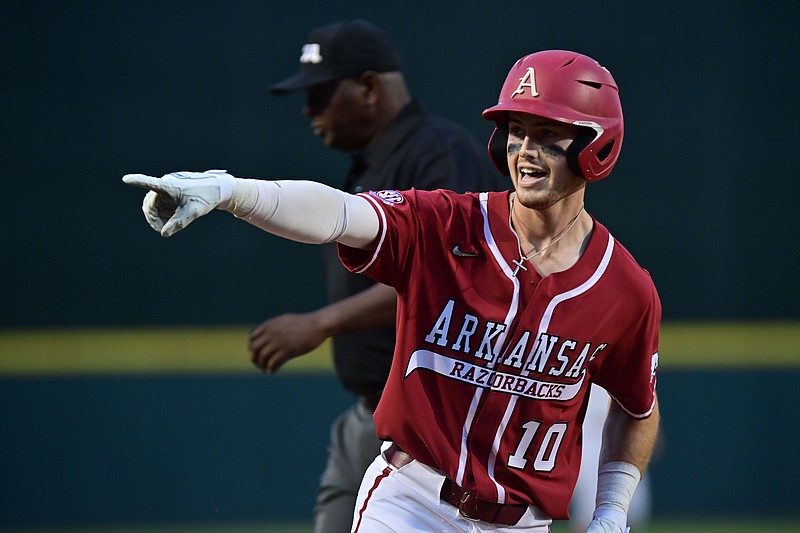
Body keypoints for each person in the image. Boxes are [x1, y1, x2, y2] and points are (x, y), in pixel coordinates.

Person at [124, 49, 661, 533]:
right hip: (410, 504)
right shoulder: (448, 223)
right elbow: (338, 213)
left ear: (598, 144)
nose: (525, 150)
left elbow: (637, 409)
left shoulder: (625, 289)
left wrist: (613, 510)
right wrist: (230, 191)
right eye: (516, 131)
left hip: (521, 523)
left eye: (548, 133)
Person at [245, 18, 502, 533]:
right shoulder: (374, 161)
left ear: (367, 87)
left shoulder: (439, 152)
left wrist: (321, 323)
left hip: (435, 425)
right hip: (373, 413)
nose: (309, 111)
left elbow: (451, 275)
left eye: (320, 94)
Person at [568, 384, 652, 532]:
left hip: (621, 451)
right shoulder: (580, 377)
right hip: (587, 447)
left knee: (628, 516)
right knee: (592, 520)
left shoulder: (623, 373)